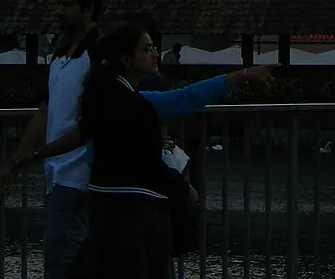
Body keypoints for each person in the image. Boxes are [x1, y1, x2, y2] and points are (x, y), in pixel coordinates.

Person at [57, 19, 271, 279]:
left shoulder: (105, 96)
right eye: (146, 49)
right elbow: (145, 158)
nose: (155, 54)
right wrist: (180, 186)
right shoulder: (134, 104)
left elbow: (97, 149)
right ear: (126, 58)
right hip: (134, 215)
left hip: (107, 209)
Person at [4, 0, 105, 279]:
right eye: (57, 4)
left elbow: (94, 119)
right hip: (58, 174)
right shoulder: (61, 54)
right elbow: (46, 111)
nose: (58, 11)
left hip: (80, 173)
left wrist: (33, 154)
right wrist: (16, 159)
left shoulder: (98, 55)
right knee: (65, 253)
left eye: (66, 4)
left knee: (63, 256)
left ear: (88, 9)